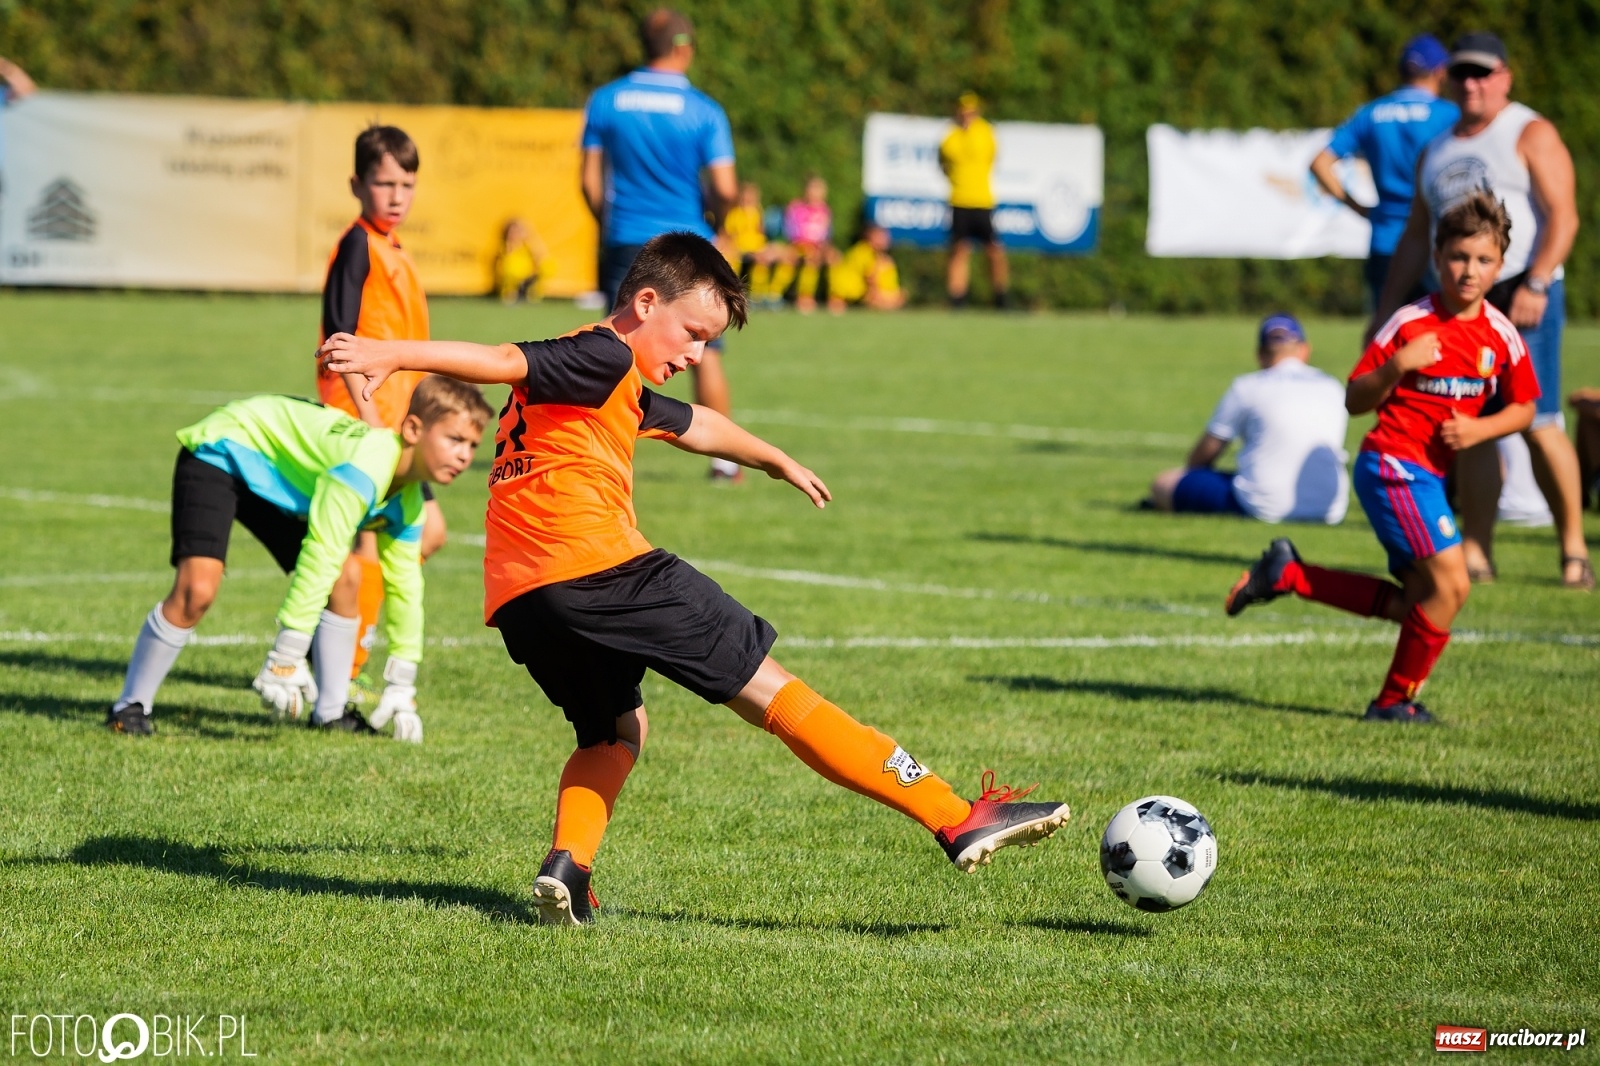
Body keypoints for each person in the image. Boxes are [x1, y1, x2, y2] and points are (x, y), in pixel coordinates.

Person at [319, 232, 1071, 925]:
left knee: (617, 731)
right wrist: (394, 353)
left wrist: (773, 458)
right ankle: (953, 815)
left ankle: (568, 870)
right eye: (691, 333)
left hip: (522, 597)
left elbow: (695, 424)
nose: (696, 353)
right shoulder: (600, 353)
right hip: (602, 568)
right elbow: (502, 358)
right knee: (773, 691)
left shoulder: (610, 380)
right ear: (646, 303)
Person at [1229, 193, 1538, 724]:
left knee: (1420, 601)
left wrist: (1481, 428)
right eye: (1458, 257)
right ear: (1437, 257)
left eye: (1483, 260)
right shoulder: (1410, 323)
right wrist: (1397, 366)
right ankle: (1394, 702)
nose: (1469, 271)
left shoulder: (1500, 334)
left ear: (1501, 265)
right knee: (1453, 584)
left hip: (1428, 478)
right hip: (1393, 465)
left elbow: (1526, 407)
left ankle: (1291, 575)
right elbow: (1354, 399)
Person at [105, 378, 492, 738]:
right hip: (223, 451)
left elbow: (406, 589)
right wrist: (286, 653)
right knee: (198, 590)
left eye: (473, 446)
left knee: (347, 577)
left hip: (279, 481)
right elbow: (322, 553)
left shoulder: (408, 503)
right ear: (413, 430)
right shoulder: (363, 468)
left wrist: (402, 682)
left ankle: (331, 713)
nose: (464, 456)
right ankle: (130, 706)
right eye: (455, 439)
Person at [1372, 32, 1590, 590]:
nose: (1472, 84)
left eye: (1483, 73)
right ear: (1447, 79)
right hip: (1459, 303)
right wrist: (1387, 308)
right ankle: (1477, 550)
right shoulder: (1436, 148)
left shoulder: (1529, 131)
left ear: (1504, 78)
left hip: (1522, 290)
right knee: (1467, 425)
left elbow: (1563, 215)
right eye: (1462, 73)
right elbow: (1417, 236)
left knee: (1538, 421)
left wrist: (1536, 281)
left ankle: (1573, 549)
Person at [314, 125, 454, 699]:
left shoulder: (390, 246)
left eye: (407, 184)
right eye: (384, 183)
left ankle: (345, 651)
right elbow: (338, 337)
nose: (397, 196)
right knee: (376, 544)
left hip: (396, 423)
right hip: (361, 421)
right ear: (357, 184)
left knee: (415, 536)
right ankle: (342, 664)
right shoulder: (358, 244)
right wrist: (370, 421)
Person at [581, 8, 741, 480]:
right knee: (704, 350)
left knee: (613, 346)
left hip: (625, 237)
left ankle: (592, 453)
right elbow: (726, 187)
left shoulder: (606, 100)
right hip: (688, 242)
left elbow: (589, 181)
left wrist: (611, 223)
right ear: (684, 48)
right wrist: (721, 225)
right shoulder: (704, 110)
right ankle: (724, 463)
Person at [1147, 314, 1348, 524]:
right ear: (1305, 350)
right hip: (1330, 509)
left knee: (1164, 483)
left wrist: (1190, 476)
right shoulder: (1333, 386)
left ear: (1260, 354)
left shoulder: (1247, 387)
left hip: (1262, 506)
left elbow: (1207, 451)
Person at [1308, 34, 1459, 309]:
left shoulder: (1371, 113)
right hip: (1435, 242)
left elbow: (1320, 163)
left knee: (1385, 328)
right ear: (1440, 72)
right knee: (1440, 329)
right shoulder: (1450, 115)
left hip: (1386, 239)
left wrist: (1356, 207)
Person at [939, 92, 1008, 309]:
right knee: (959, 251)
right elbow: (943, 163)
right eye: (963, 111)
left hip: (982, 201)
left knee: (994, 251)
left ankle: (1000, 297)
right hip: (959, 200)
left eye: (971, 112)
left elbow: (993, 157)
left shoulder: (986, 132)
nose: (967, 116)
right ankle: (957, 299)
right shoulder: (950, 135)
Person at [771, 175, 836, 314]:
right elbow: (790, 231)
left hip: (817, 247)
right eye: (813, 189)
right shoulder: (796, 208)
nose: (816, 194)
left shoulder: (825, 211)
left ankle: (833, 297)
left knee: (831, 259)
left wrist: (824, 248)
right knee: (796, 260)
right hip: (798, 245)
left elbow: (826, 235)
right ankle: (774, 294)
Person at [827, 222, 905, 312]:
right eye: (882, 237)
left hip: (850, 290)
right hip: (849, 290)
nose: (886, 240)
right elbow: (870, 279)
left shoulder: (866, 251)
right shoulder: (866, 252)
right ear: (872, 237)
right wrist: (884, 296)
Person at [495, 218, 549, 304]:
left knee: (546, 267)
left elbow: (542, 257)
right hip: (512, 282)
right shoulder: (504, 248)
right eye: (512, 232)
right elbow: (504, 267)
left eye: (518, 232)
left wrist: (530, 239)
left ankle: (529, 293)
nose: (515, 234)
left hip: (527, 279)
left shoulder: (527, 247)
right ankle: (512, 293)